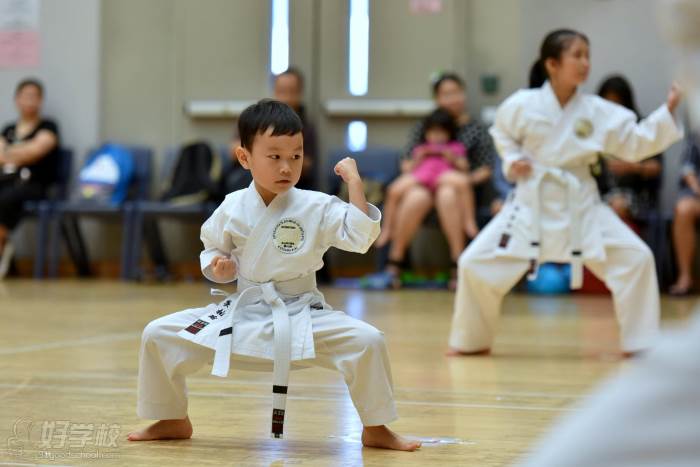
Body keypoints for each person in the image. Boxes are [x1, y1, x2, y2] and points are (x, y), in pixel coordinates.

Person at [127, 100, 420, 451]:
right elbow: (211, 249)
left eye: (295, 156)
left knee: (368, 340)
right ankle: (172, 418)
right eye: (275, 156)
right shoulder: (232, 205)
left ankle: (376, 427)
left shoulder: (316, 205)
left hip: (303, 314)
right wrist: (219, 268)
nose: (287, 167)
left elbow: (359, 238)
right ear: (244, 158)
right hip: (244, 312)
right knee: (158, 334)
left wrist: (354, 183)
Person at [448, 29, 682, 357]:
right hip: (530, 204)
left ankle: (640, 343)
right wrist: (513, 162)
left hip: (581, 204)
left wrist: (668, 111)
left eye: (588, 55)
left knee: (636, 258)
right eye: (577, 55)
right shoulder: (521, 105)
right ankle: (471, 341)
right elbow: (503, 136)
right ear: (552, 64)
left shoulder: (597, 110)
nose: (586, 63)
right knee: (474, 263)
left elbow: (636, 141)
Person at [381, 72, 498, 288]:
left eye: (456, 93)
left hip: (458, 190)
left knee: (447, 194)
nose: (453, 98)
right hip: (423, 185)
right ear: (437, 99)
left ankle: (458, 262)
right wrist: (421, 167)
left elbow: (486, 168)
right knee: (415, 196)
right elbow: (406, 163)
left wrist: (459, 180)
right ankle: (395, 261)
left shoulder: (476, 129)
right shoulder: (425, 126)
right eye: (446, 94)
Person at [376, 108, 477, 248]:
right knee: (393, 189)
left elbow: (464, 167)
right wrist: (419, 158)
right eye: (433, 132)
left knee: (464, 182)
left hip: (444, 176)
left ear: (449, 133)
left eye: (442, 132)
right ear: (426, 133)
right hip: (422, 176)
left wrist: (452, 158)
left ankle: (469, 221)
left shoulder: (455, 147)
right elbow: (408, 168)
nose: (437, 136)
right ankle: (387, 229)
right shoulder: (421, 148)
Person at [0, 78, 60, 278]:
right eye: (24, 96)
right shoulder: (8, 128)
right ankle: (4, 246)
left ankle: (2, 246)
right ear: (16, 99)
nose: (28, 100)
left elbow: (37, 151)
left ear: (40, 100)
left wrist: (11, 151)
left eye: (33, 96)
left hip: (35, 185)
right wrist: (22, 151)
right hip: (6, 180)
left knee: (7, 198)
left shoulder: (48, 126)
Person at [596, 75, 663, 223]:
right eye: (607, 105)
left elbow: (656, 167)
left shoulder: (640, 128)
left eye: (616, 104)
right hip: (600, 195)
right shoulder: (594, 131)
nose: (611, 110)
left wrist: (632, 167)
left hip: (635, 196)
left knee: (617, 206)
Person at [669, 134, 700, 295]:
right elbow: (688, 169)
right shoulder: (696, 138)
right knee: (683, 209)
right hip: (696, 196)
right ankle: (685, 277)